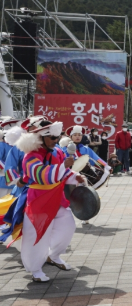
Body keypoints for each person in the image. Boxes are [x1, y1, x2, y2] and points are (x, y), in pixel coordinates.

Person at [16, 116, 87, 282]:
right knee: (37, 235)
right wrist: (64, 167)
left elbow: (65, 173)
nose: (57, 140)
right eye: (52, 137)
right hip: (38, 201)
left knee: (67, 227)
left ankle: (53, 255)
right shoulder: (30, 157)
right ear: (39, 137)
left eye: (57, 136)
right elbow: (42, 176)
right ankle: (35, 269)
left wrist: (75, 176)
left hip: (58, 198)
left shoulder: (58, 152)